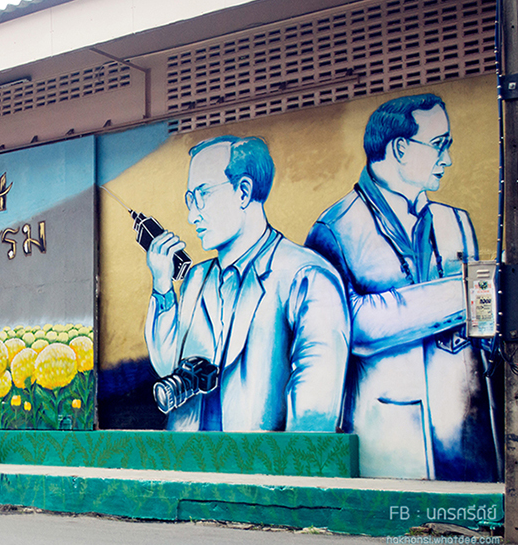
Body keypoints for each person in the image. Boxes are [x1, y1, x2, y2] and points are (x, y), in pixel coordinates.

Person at [306, 94, 498, 481]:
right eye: (439, 144)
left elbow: (484, 318)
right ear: (399, 148)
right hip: (391, 435)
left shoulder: (456, 221)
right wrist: (465, 291)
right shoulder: (335, 228)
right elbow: (352, 326)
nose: (448, 159)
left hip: (467, 428)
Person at [145, 136, 349, 432]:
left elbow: (313, 421)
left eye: (203, 195)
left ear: (243, 192)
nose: (192, 216)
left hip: (257, 460)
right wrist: (162, 286)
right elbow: (168, 367)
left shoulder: (306, 277)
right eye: (190, 199)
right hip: (190, 456)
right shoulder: (196, 279)